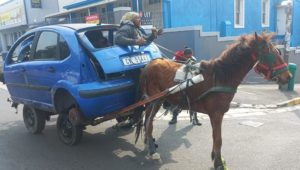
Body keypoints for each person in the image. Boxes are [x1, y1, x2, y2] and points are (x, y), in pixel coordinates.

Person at [114, 12, 162, 128]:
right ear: (131, 19)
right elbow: (118, 38)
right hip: (130, 65)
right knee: (139, 87)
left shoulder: (136, 29)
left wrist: (153, 35)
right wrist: (135, 42)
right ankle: (136, 111)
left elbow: (144, 42)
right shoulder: (127, 27)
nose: (139, 19)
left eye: (139, 18)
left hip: (137, 61)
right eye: (137, 18)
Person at [167, 47, 202, 126]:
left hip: (190, 82)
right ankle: (174, 118)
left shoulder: (193, 59)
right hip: (179, 82)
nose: (189, 57)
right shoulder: (177, 59)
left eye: (190, 56)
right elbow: (175, 69)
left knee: (193, 100)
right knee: (177, 100)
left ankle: (195, 118)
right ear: (184, 55)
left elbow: (195, 70)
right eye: (187, 56)